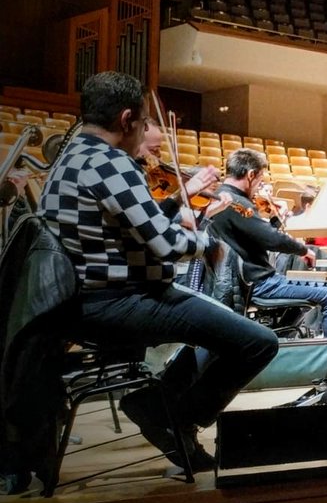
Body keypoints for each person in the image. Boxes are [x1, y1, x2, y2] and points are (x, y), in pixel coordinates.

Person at [37, 71, 277, 471]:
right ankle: (173, 416)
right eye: (144, 121)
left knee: (218, 324)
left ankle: (159, 405)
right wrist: (209, 244)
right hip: (116, 302)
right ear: (127, 119)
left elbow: (135, 224)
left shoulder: (73, 156)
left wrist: (179, 209)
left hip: (81, 302)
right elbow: (166, 244)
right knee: (258, 341)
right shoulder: (111, 162)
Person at [208, 149, 327, 337]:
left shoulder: (219, 197)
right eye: (260, 180)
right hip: (259, 283)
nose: (258, 188)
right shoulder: (236, 203)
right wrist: (304, 251)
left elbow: (256, 234)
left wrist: (275, 220)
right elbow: (271, 239)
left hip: (244, 281)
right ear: (251, 175)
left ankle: (283, 340)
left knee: (311, 294)